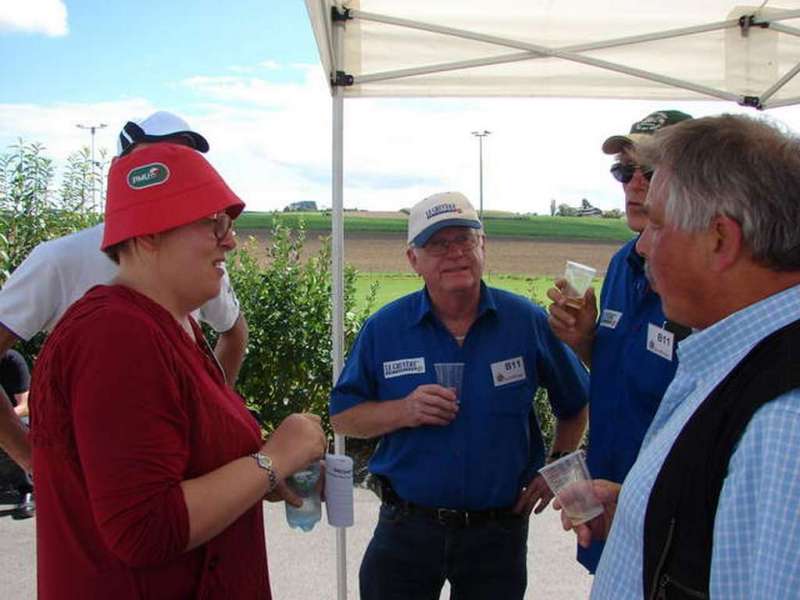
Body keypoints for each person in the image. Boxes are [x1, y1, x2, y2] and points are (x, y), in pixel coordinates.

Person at [30, 142, 327, 599]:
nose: (229, 240)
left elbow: (184, 465)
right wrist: (275, 459)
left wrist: (255, 479)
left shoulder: (175, 324)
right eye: (214, 224)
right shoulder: (116, 335)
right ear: (149, 234)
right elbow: (145, 528)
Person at [558, 114, 800, 600]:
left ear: (720, 240)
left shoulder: (784, 423)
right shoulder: (739, 357)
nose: (643, 246)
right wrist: (643, 508)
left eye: (660, 225)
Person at [330, 191, 590, 600]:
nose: (454, 253)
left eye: (464, 240)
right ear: (413, 260)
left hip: (497, 534)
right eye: (437, 244)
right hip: (405, 529)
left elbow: (575, 403)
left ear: (483, 246)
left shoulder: (526, 322)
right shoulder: (385, 329)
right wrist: (404, 410)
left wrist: (555, 466)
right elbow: (344, 417)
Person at [0, 111, 248, 474]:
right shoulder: (59, 259)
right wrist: (28, 457)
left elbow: (235, 331)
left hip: (174, 471)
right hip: (94, 479)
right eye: (157, 166)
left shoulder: (201, 264)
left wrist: (209, 418)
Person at [546, 109, 692, 572]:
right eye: (624, 171)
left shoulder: (702, 278)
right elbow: (621, 370)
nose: (632, 184)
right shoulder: (623, 263)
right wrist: (585, 338)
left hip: (676, 525)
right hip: (608, 501)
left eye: (649, 171)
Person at [0, 350, 34, 519]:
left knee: (10, 431)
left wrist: (5, 418)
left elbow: (25, 405)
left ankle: (26, 491)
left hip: (18, 416)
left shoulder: (12, 361)